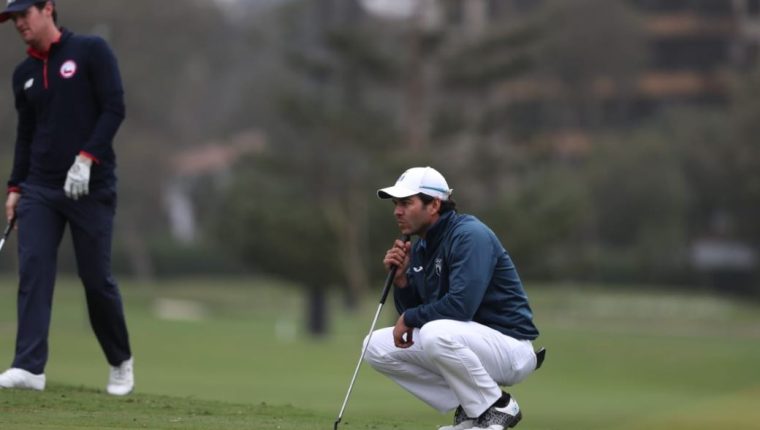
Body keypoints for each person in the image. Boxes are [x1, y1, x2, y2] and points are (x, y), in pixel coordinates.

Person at [0, 0, 134, 395]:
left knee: (95, 280)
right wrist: (14, 188)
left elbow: (114, 108)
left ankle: (119, 360)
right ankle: (28, 367)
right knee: (34, 268)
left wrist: (88, 157)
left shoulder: (91, 51)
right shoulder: (23, 74)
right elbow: (26, 135)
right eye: (13, 19)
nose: (19, 24)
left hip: (91, 188)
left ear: (48, 9)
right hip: (40, 187)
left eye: (25, 14)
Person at [364, 167, 544, 430]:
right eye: (395, 204)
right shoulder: (424, 245)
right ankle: (474, 409)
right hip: (466, 341)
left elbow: (461, 307)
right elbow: (420, 315)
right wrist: (402, 282)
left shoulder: (470, 235)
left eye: (406, 203)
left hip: (509, 346)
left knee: (436, 332)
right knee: (374, 345)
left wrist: (411, 317)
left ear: (434, 204)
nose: (397, 211)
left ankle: (498, 406)